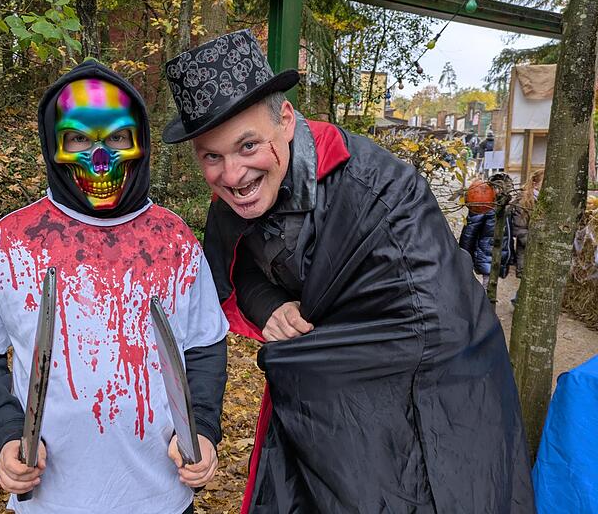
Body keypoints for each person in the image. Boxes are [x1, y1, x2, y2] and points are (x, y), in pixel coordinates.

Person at [161, 29, 534, 513]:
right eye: (212, 156)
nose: (232, 175)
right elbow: (235, 273)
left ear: (287, 121)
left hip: (435, 395)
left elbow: (436, 320)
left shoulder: (380, 187)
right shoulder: (229, 204)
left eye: (248, 146)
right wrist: (268, 306)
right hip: (314, 412)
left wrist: (316, 359)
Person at [0, 61, 229, 513]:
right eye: (78, 139)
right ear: (55, 147)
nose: (100, 159)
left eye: (116, 138)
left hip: (160, 497)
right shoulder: (11, 241)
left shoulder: (175, 241)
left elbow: (206, 346)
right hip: (49, 501)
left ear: (140, 143)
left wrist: (203, 429)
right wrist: (5, 434)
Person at [459, 176, 514, 289]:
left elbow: (507, 235)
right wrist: (463, 256)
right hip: (487, 255)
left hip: (498, 256)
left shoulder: (505, 208)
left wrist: (511, 256)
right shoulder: (484, 205)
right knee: (487, 289)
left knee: (490, 287)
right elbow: (469, 232)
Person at [511, 169, 544, 303]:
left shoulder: (545, 202)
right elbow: (518, 229)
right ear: (535, 184)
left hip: (540, 249)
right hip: (528, 250)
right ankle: (518, 302)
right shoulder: (524, 201)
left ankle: (520, 301)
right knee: (529, 279)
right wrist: (538, 240)